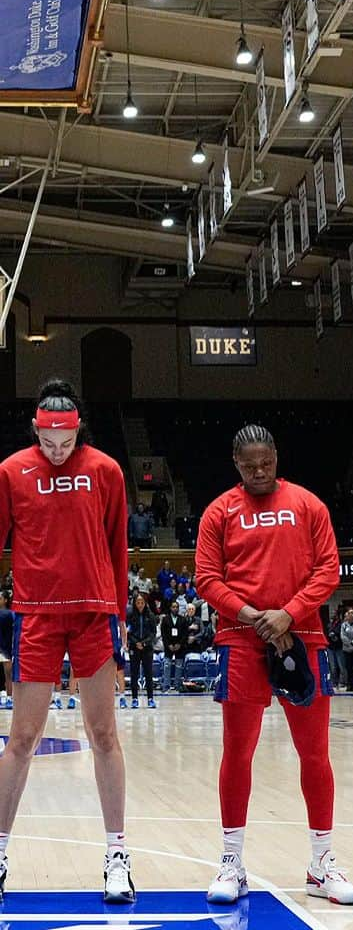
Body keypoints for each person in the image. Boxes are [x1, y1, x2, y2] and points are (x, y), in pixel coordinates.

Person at [195, 424, 353, 906]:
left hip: (303, 638)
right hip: (240, 642)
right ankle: (231, 861)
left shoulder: (309, 504)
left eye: (266, 462)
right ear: (236, 464)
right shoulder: (218, 512)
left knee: (315, 755)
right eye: (250, 466)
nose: (260, 471)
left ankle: (322, 862)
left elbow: (329, 569)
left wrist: (289, 613)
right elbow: (206, 578)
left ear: (276, 456)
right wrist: (254, 617)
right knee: (237, 753)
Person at [0, 380, 135, 903]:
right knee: (21, 740)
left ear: (78, 429)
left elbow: (118, 546)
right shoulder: (11, 471)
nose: (58, 452)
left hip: (94, 614)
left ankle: (117, 856)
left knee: (104, 735)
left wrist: (120, 620)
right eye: (49, 443)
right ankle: (2, 852)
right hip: (35, 615)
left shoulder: (105, 470)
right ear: (36, 429)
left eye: (67, 442)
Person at [126, 593, 157, 709]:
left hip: (147, 648)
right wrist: (136, 643)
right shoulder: (130, 615)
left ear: (145, 603)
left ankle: (150, 699)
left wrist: (144, 643)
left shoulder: (151, 616)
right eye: (138, 603)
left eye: (142, 603)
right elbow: (128, 632)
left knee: (148, 674)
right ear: (135, 603)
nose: (140, 605)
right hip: (134, 648)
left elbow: (153, 633)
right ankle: (134, 699)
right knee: (134, 674)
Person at [160, 600, 189, 693]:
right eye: (173, 607)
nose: (175, 608)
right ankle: (166, 686)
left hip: (179, 646)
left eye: (176, 607)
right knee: (167, 665)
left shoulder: (183, 619)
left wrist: (179, 644)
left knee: (179, 666)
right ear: (170, 608)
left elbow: (185, 634)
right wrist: (168, 644)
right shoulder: (165, 619)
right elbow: (163, 634)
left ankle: (177, 685)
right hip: (169, 645)